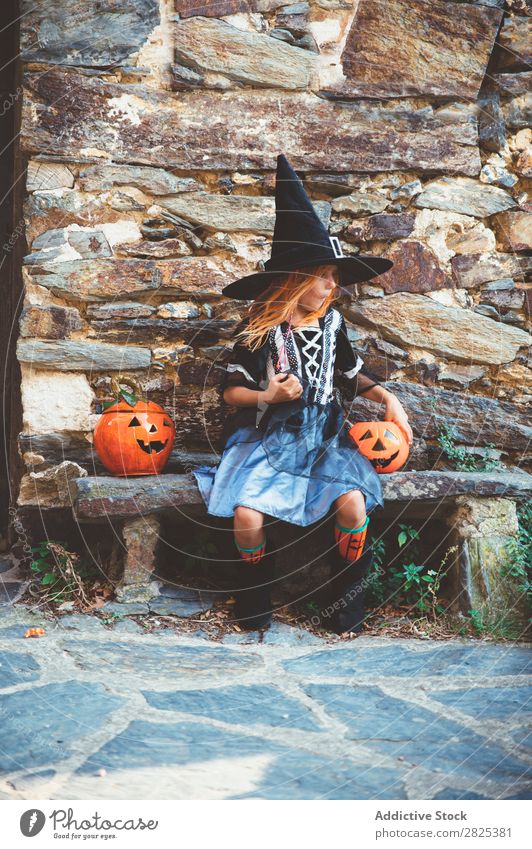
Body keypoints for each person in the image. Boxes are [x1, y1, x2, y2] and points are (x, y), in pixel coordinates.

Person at [193, 154, 412, 634]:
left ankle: (345, 604)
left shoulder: (333, 324)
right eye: (325, 275)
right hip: (269, 439)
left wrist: (387, 398)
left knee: (353, 503)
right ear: (297, 278)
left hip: (325, 439)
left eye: (335, 277)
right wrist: (266, 395)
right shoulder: (260, 327)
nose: (333, 286)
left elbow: (351, 374)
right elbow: (231, 392)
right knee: (247, 514)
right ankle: (254, 601)